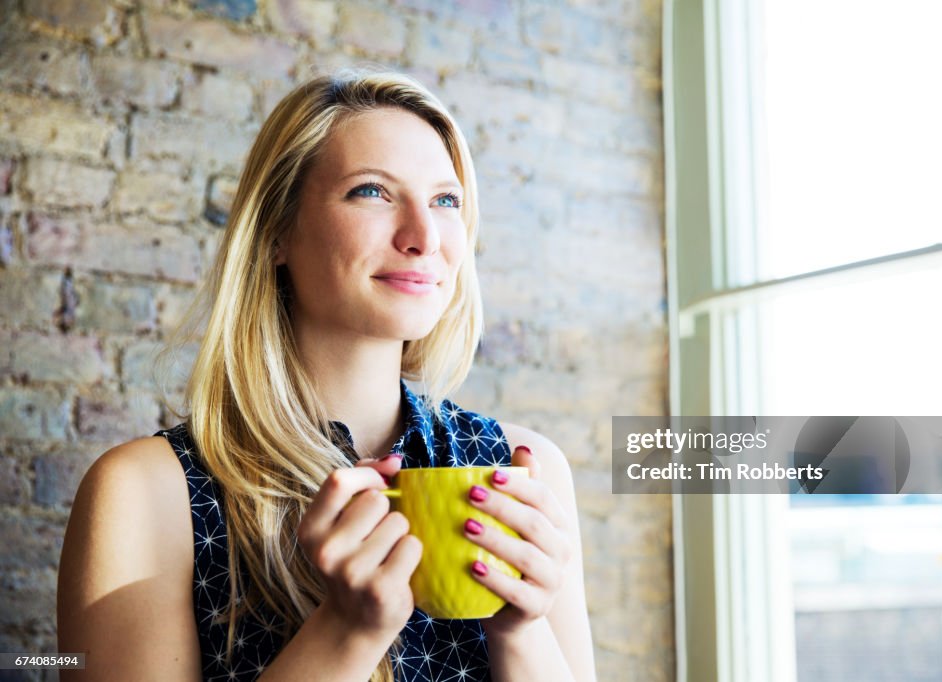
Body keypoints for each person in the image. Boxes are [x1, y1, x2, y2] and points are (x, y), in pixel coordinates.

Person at [57, 71, 596, 682]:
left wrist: (520, 630)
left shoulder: (530, 471)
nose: (425, 237)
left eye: (446, 200)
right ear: (277, 232)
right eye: (373, 191)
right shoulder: (143, 493)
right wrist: (346, 631)